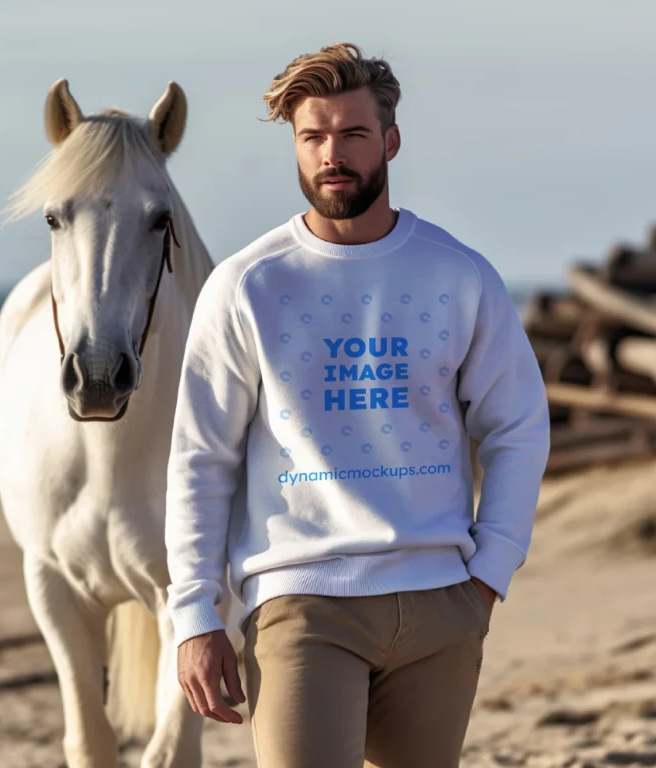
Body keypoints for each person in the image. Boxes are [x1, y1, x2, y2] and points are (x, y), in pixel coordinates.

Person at [164, 42, 551, 767]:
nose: (331, 154)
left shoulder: (457, 274)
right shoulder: (248, 285)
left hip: (442, 601)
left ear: (390, 141)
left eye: (352, 134)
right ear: (295, 145)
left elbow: (518, 425)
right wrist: (193, 612)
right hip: (303, 606)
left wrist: (491, 570)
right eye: (313, 137)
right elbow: (200, 458)